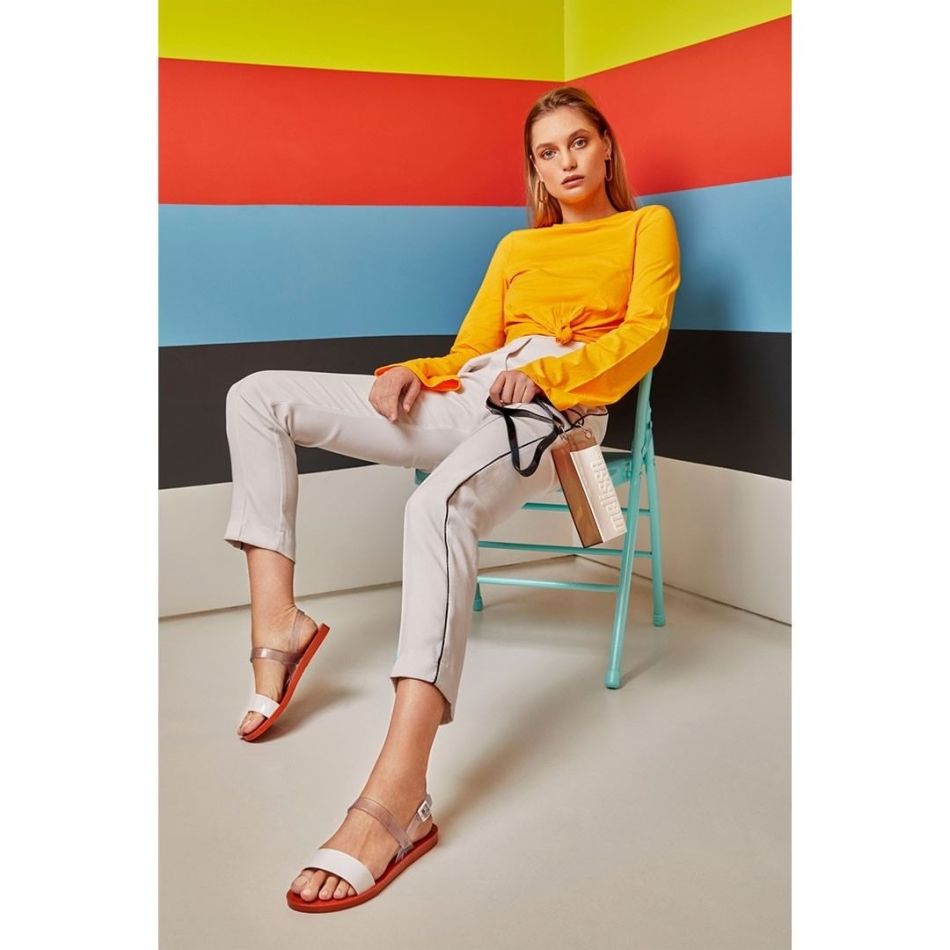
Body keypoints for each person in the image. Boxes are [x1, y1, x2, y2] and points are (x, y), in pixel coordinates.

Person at [222, 85, 681, 911]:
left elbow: (643, 335)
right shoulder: (516, 245)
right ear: (535, 168)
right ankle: (278, 626)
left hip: (562, 403)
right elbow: (473, 349)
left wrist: (547, 374)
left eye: (579, 142)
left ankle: (399, 796)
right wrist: (415, 372)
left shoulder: (647, 226)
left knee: (433, 508)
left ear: (607, 146)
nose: (567, 162)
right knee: (256, 395)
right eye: (548, 152)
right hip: (478, 388)